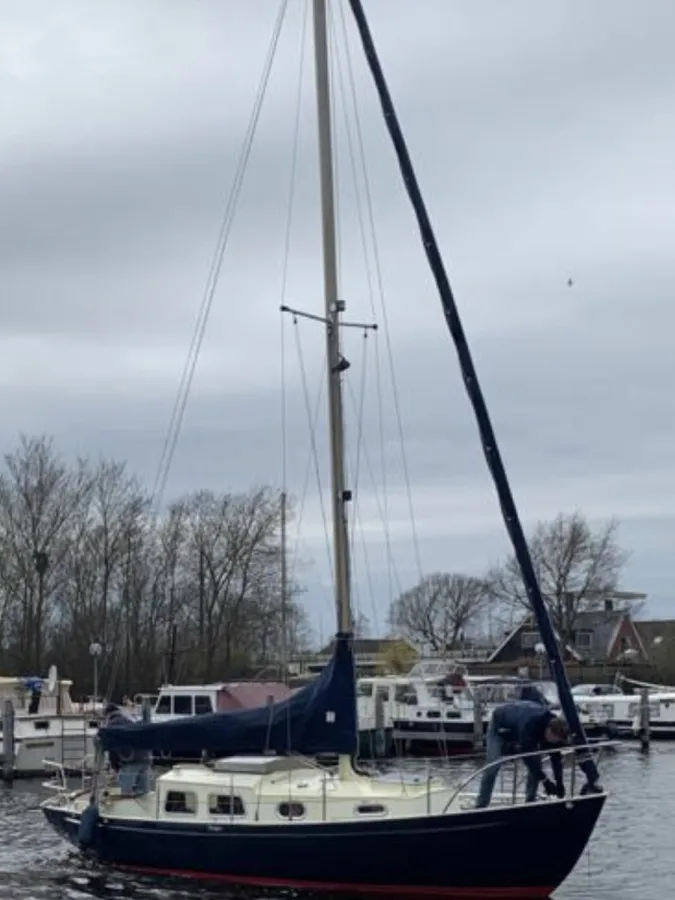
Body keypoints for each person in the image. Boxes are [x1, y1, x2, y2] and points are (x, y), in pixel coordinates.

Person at [475, 700, 569, 809]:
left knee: (536, 765)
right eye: (553, 738)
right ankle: (481, 804)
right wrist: (545, 781)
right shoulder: (531, 725)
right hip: (499, 723)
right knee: (493, 766)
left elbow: (556, 758)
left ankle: (530, 802)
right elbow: (528, 757)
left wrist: (560, 784)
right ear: (548, 729)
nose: (553, 742)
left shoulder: (554, 726)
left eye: (556, 741)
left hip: (520, 724)